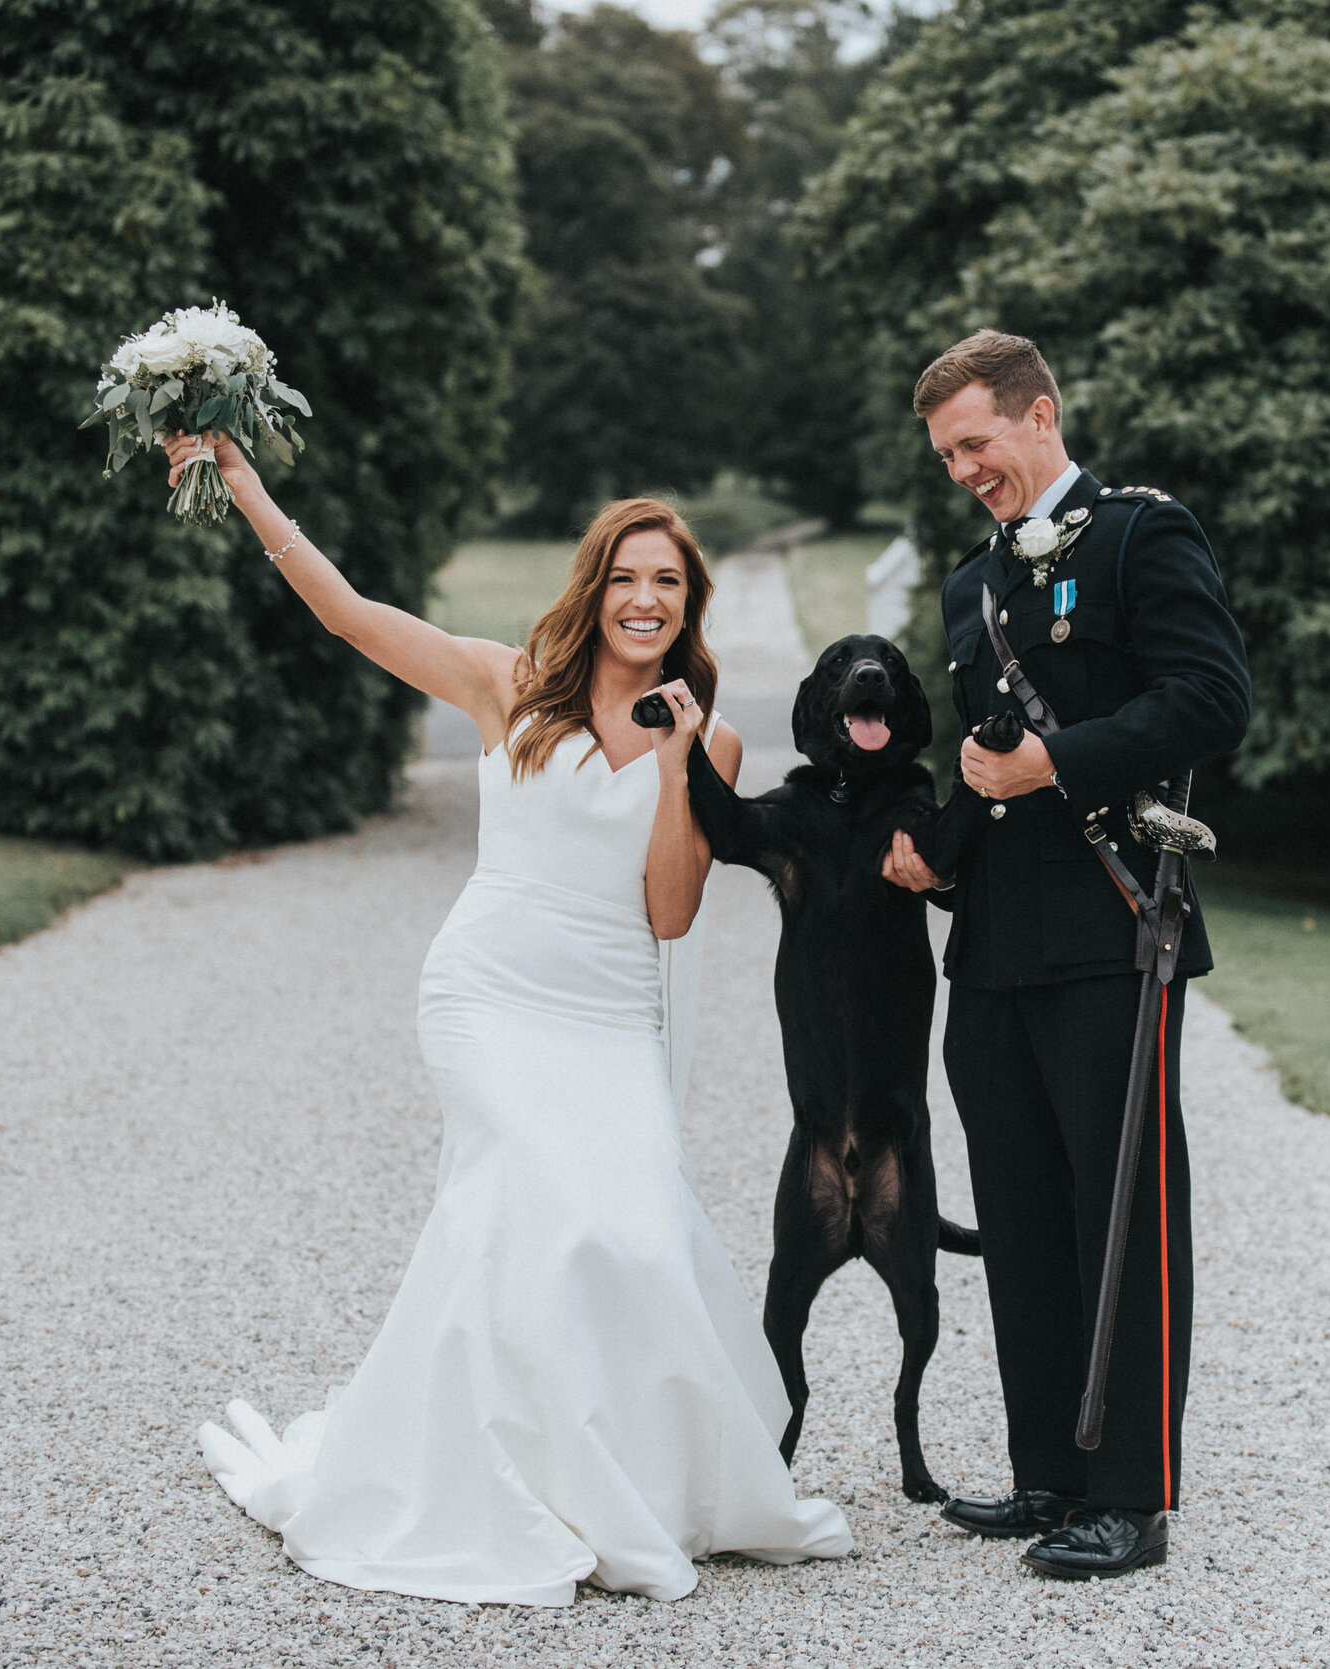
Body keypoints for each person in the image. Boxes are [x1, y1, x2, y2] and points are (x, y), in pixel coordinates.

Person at [173, 429, 850, 1605]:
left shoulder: (713, 733)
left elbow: (673, 914)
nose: (645, 599)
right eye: (627, 577)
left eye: (668, 583)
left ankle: (620, 1476)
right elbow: (351, 615)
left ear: (688, 605)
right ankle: (497, 1483)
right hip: (487, 996)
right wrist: (246, 487)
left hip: (609, 1012)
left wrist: (687, 762)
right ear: (595, 589)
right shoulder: (508, 687)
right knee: (535, 1201)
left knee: (630, 1225)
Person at [881, 331, 1251, 1579]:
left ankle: (1131, 1494)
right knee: (1025, 1215)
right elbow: (977, 772)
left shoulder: (1146, 535)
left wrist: (1060, 760)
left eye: (976, 444)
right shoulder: (963, 586)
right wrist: (934, 850)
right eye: (947, 456)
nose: (964, 471)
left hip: (1111, 931)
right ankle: (1048, 1472)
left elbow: (1211, 699)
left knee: (1123, 1215)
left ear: (1039, 416)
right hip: (993, 949)